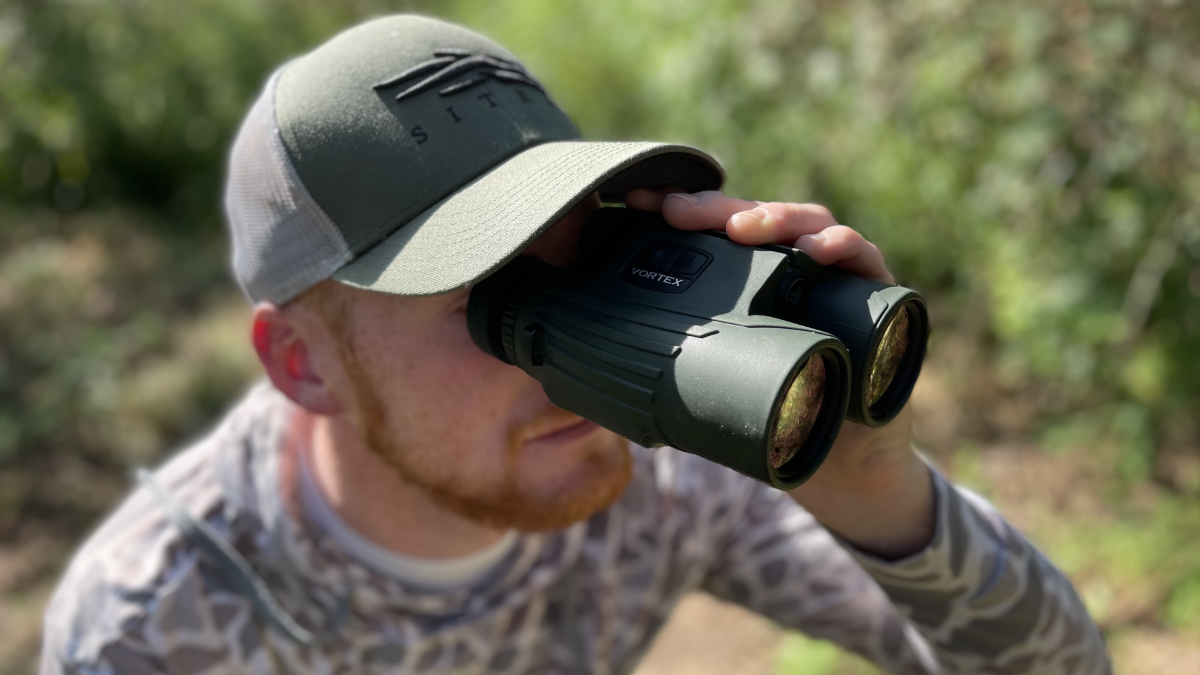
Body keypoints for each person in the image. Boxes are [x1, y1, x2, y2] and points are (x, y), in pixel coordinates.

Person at [41, 14, 1111, 675]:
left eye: (590, 256)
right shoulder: (154, 625)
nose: (571, 361)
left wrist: (873, 483)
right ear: (300, 364)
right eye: (499, 299)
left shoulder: (660, 467)